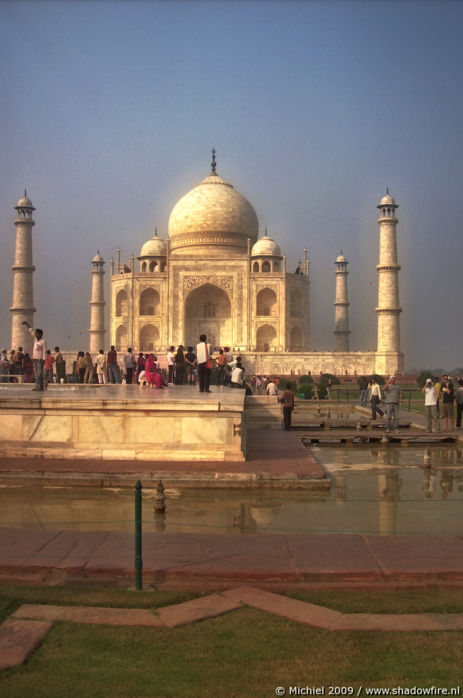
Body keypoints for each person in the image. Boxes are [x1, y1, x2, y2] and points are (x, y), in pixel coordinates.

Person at [22, 321, 46, 391]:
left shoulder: (43, 341)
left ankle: (40, 387)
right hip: (35, 358)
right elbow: (31, 331)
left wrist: (43, 360)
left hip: (40, 359)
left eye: (37, 334)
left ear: (40, 334)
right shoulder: (36, 339)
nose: (35, 335)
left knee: (39, 374)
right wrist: (27, 324)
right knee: (36, 373)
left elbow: (44, 351)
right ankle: (38, 386)